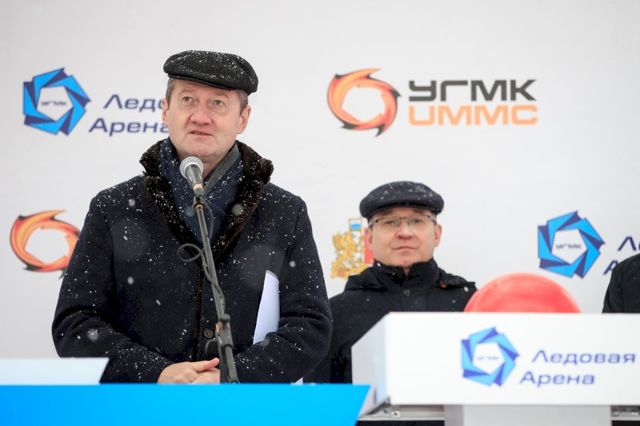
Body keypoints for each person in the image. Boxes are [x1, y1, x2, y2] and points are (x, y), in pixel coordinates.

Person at [52, 50, 332, 384]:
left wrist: (232, 375)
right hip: (140, 406)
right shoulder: (113, 207)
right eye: (188, 100)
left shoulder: (283, 212)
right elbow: (76, 324)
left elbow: (309, 327)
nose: (201, 117)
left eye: (217, 103)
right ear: (166, 110)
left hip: (245, 407)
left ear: (242, 119)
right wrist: (155, 373)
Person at [306, 181, 476, 383]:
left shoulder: (470, 305)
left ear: (437, 233)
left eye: (417, 220)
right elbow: (321, 400)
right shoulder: (336, 315)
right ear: (369, 238)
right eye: (390, 222)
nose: (405, 232)